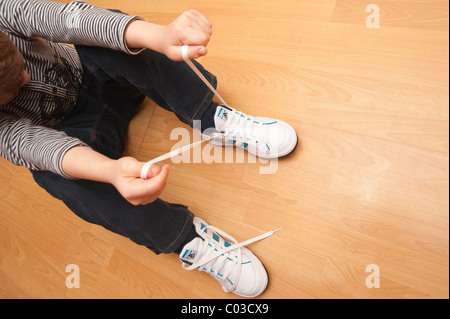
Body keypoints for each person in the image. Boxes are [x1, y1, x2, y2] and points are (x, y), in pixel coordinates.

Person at [0, 0, 297, 298]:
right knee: (54, 177)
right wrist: (110, 171)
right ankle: (188, 240)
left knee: (110, 31)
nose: (27, 79)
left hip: (103, 77)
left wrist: (159, 36)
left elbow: (68, 19)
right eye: (14, 88)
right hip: (79, 137)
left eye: (20, 65)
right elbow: (34, 146)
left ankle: (208, 118)